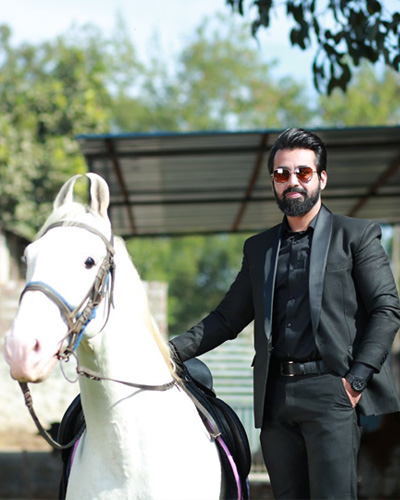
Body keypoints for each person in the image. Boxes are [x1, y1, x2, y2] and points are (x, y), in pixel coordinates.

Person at [170, 127, 400, 499]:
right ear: (274, 182)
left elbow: (386, 309)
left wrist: (356, 379)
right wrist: (166, 352)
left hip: (333, 390)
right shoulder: (258, 248)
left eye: (303, 172)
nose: (292, 181)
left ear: (321, 178)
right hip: (275, 396)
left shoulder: (355, 236)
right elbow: (226, 319)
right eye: (282, 174)